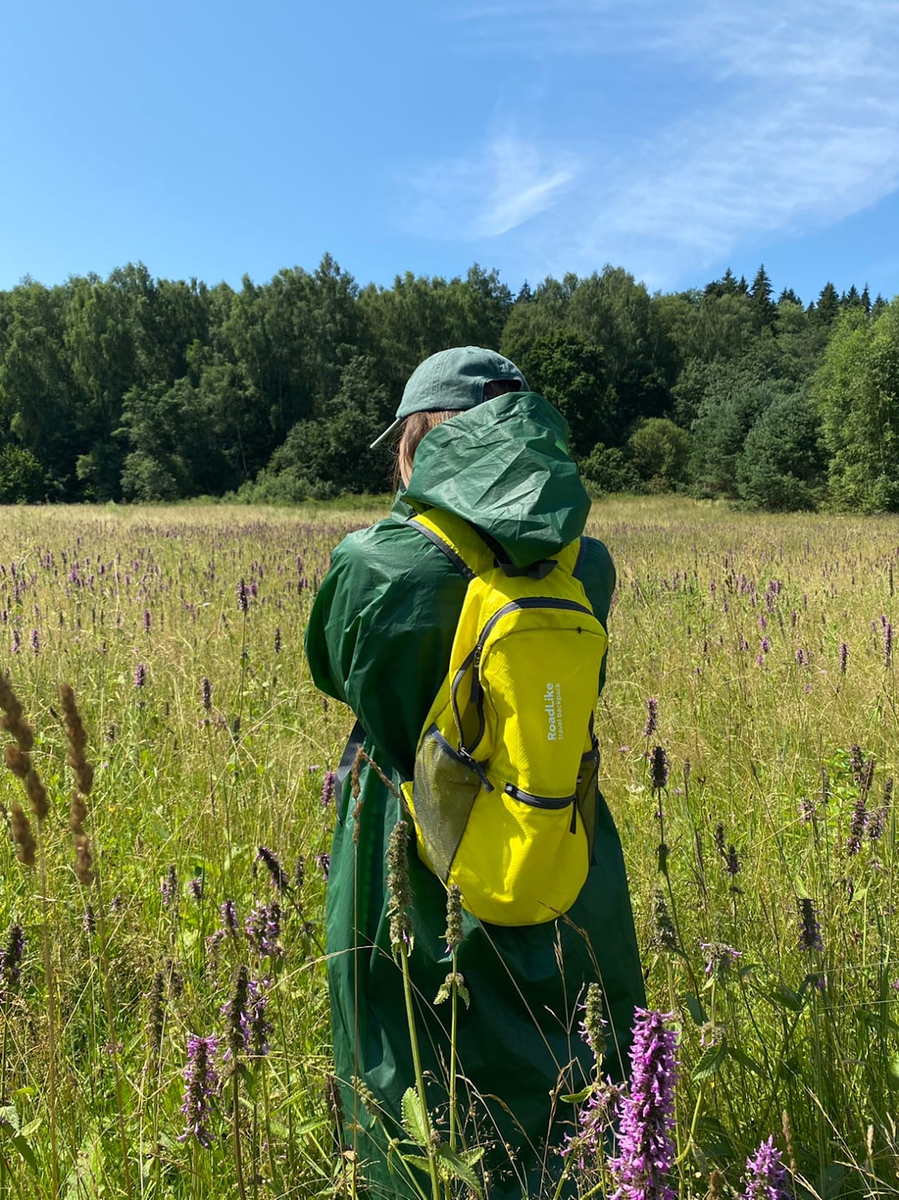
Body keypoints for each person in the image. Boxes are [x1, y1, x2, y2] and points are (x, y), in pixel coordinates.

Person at [305, 346, 644, 1199]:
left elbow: (334, 671)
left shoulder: (375, 562)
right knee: (575, 1063)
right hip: (561, 827)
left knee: (412, 1074)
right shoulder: (587, 563)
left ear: (416, 441)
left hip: (410, 847)